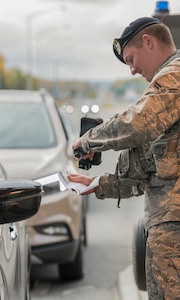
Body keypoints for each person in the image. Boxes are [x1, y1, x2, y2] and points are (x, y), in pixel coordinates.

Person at [70, 17, 180, 300]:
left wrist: (89, 139)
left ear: (148, 42)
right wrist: (97, 184)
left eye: (131, 59)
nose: (132, 70)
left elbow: (137, 124)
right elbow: (146, 165)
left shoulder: (174, 76)